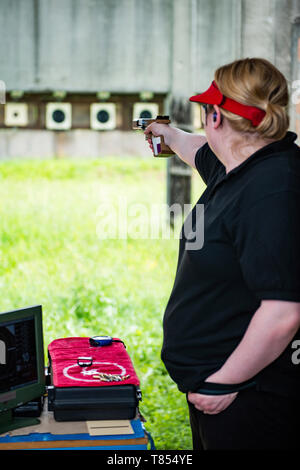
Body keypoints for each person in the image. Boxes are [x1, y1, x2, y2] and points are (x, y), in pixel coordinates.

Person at [144, 58, 300, 450]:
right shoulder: (246, 163)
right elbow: (197, 149)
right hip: (225, 386)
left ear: (214, 116)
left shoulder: (271, 191)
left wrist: (223, 382)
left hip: (250, 395)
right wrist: (167, 133)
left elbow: (283, 313)